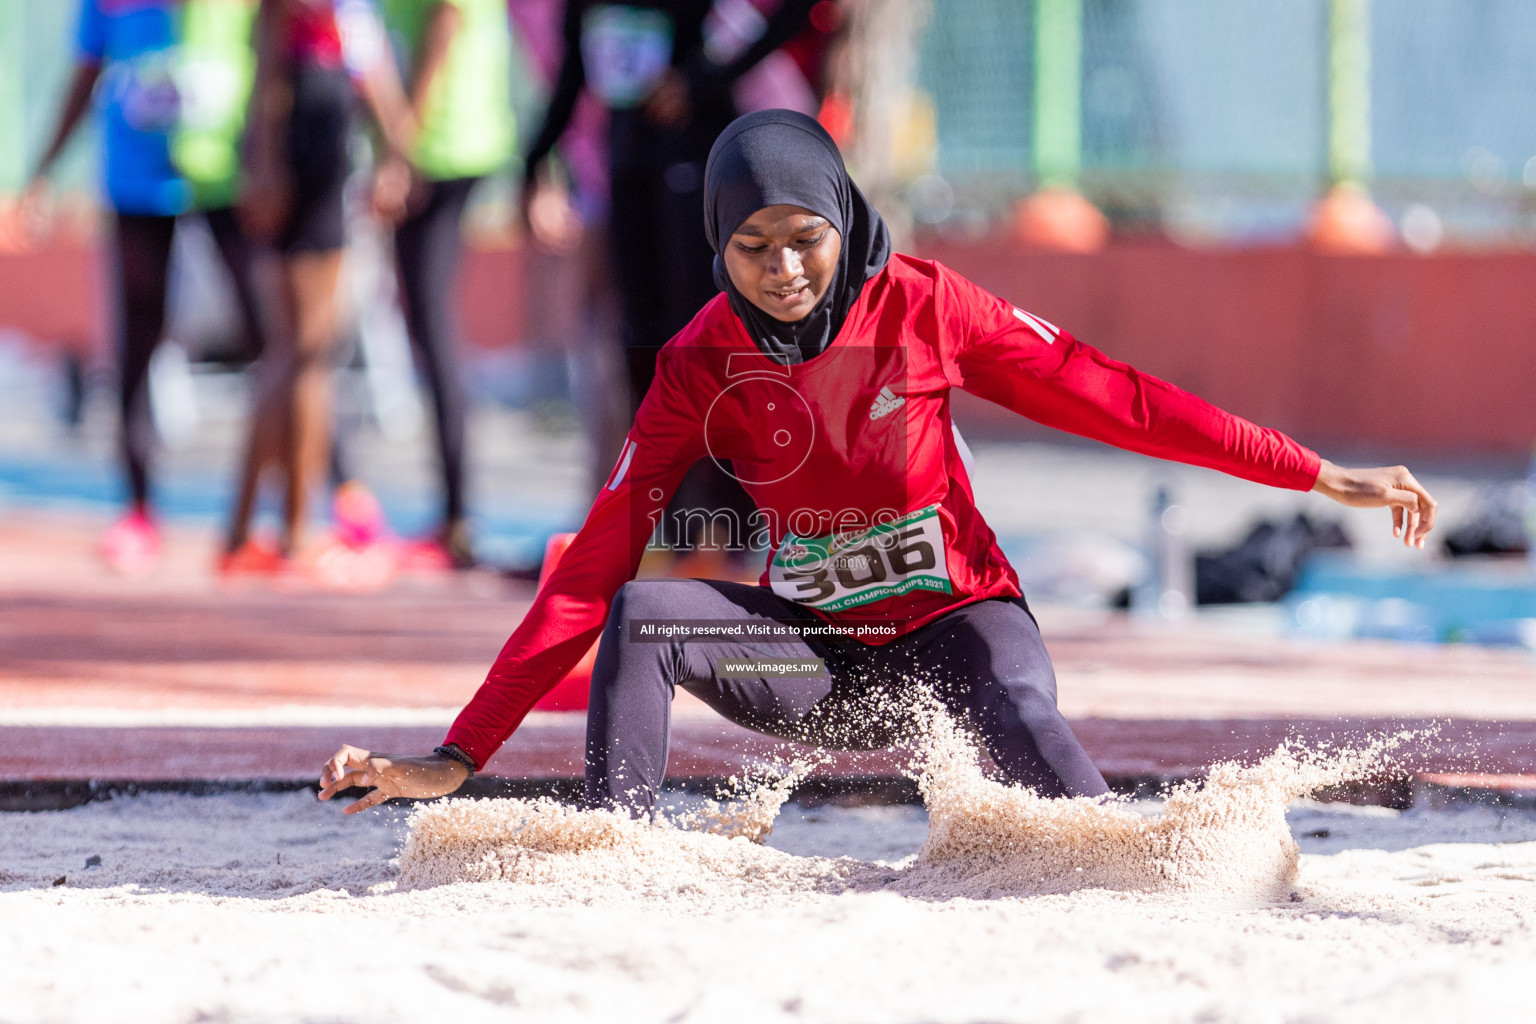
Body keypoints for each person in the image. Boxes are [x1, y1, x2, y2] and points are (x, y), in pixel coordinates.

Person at [319, 110, 1438, 815]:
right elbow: (589, 569)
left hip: (962, 636)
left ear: (843, 217)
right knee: (646, 613)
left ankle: (1140, 860)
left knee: (1034, 737)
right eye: (750, 249)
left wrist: (1315, 473)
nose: (784, 269)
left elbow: (1117, 399)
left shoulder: (927, 307)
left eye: (804, 236)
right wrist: (459, 752)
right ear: (719, 249)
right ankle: (620, 856)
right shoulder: (697, 363)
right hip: (821, 668)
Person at [521, 0, 820, 566]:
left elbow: (794, 13)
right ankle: (676, 533)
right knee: (646, 349)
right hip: (628, 166)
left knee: (710, 345)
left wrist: (700, 79)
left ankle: (736, 533)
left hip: (701, 164)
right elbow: (574, 71)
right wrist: (533, 162)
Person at [26, 0, 264, 575]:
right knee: (137, 337)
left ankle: (329, 494)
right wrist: (42, 173)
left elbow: (274, 47)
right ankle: (136, 511)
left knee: (273, 332)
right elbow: (85, 71)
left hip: (227, 171)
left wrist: (271, 154)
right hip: (136, 179)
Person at [220, 0, 411, 572]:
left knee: (296, 352)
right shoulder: (290, 19)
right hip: (302, 167)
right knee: (305, 354)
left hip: (319, 161)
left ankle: (245, 530)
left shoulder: (343, 18)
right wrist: (264, 165)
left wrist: (395, 152)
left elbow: (374, 78)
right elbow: (266, 79)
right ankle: (295, 531)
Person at [371, 0, 516, 568]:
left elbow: (443, 26)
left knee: (433, 328)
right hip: (453, 136)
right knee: (429, 327)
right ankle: (454, 515)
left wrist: (400, 149)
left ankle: (458, 518)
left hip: (442, 144)